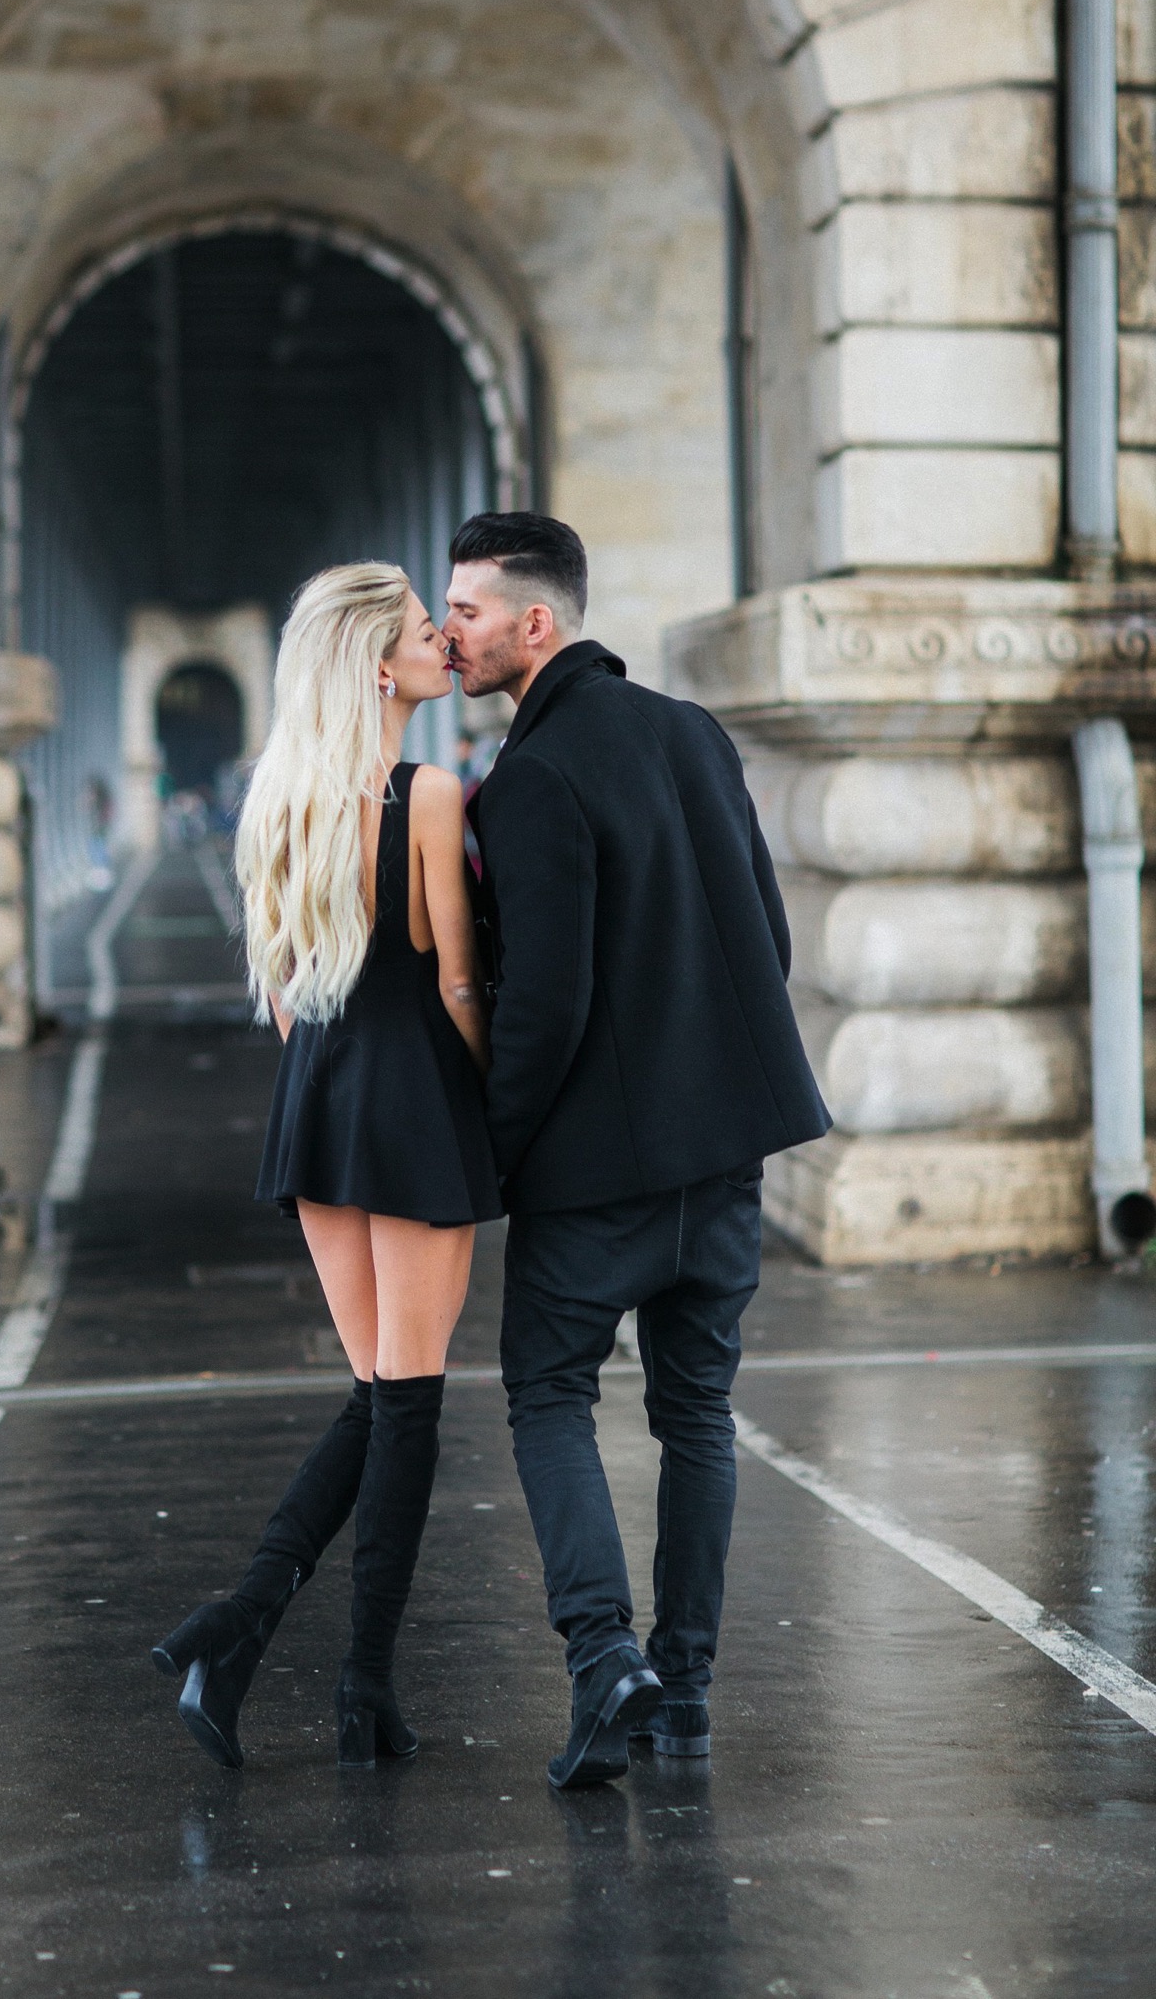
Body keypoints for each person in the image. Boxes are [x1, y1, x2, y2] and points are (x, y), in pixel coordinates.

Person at [442, 512, 830, 1790]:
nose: (451, 633)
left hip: (592, 1174)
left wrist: (492, 1152)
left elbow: (542, 1005)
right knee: (696, 1418)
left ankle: (606, 1659)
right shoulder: (693, 735)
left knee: (550, 1397)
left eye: (470, 612)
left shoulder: (532, 780)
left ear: (535, 624)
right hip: (722, 1158)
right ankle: (689, 1694)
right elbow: (762, 940)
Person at [152, 561, 500, 1771]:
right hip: (415, 1104)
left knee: (377, 1394)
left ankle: (236, 1628)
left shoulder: (277, 802)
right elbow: (458, 983)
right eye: (420, 632)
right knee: (408, 1403)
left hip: (317, 1107)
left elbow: (290, 996)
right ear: (374, 665)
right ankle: (359, 1688)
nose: (440, 645)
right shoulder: (433, 795)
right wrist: (494, 1091)